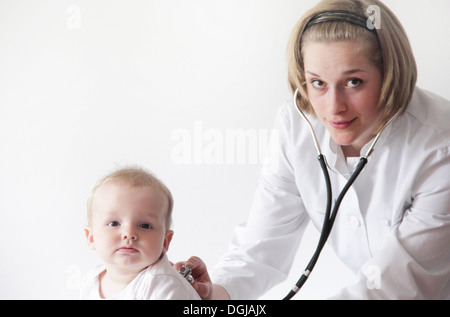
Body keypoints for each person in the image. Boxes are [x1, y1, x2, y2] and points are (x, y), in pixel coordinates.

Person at [175, 0, 450, 299]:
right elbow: (263, 245)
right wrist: (214, 294)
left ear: (390, 76)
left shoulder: (440, 144)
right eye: (317, 82)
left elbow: (397, 286)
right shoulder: (297, 126)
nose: (334, 108)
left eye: (353, 81)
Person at [80, 167, 200, 300]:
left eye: (145, 226)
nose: (129, 234)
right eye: (114, 223)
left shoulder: (163, 286)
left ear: (165, 241)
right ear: (90, 238)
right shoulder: (91, 281)